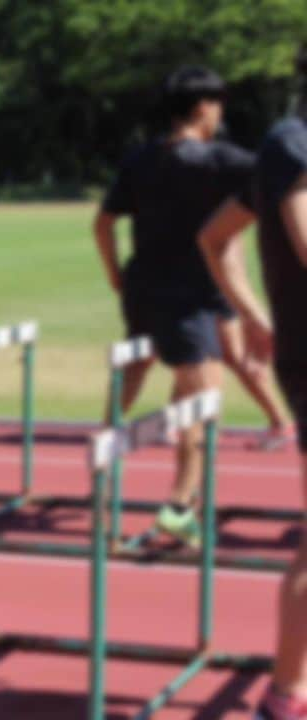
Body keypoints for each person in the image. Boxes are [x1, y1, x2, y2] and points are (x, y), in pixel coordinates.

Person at [93, 65, 278, 548]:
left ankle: (103, 467)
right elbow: (283, 177)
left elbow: (103, 224)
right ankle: (179, 505)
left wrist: (117, 277)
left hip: (143, 291)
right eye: (218, 104)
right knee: (203, 404)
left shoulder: (139, 157)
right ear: (202, 108)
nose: (221, 113)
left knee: (135, 371)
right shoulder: (219, 159)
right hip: (190, 299)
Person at [199, 59, 307, 720]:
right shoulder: (291, 145)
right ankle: (286, 693)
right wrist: (257, 316)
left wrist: (255, 314)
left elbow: (216, 238)